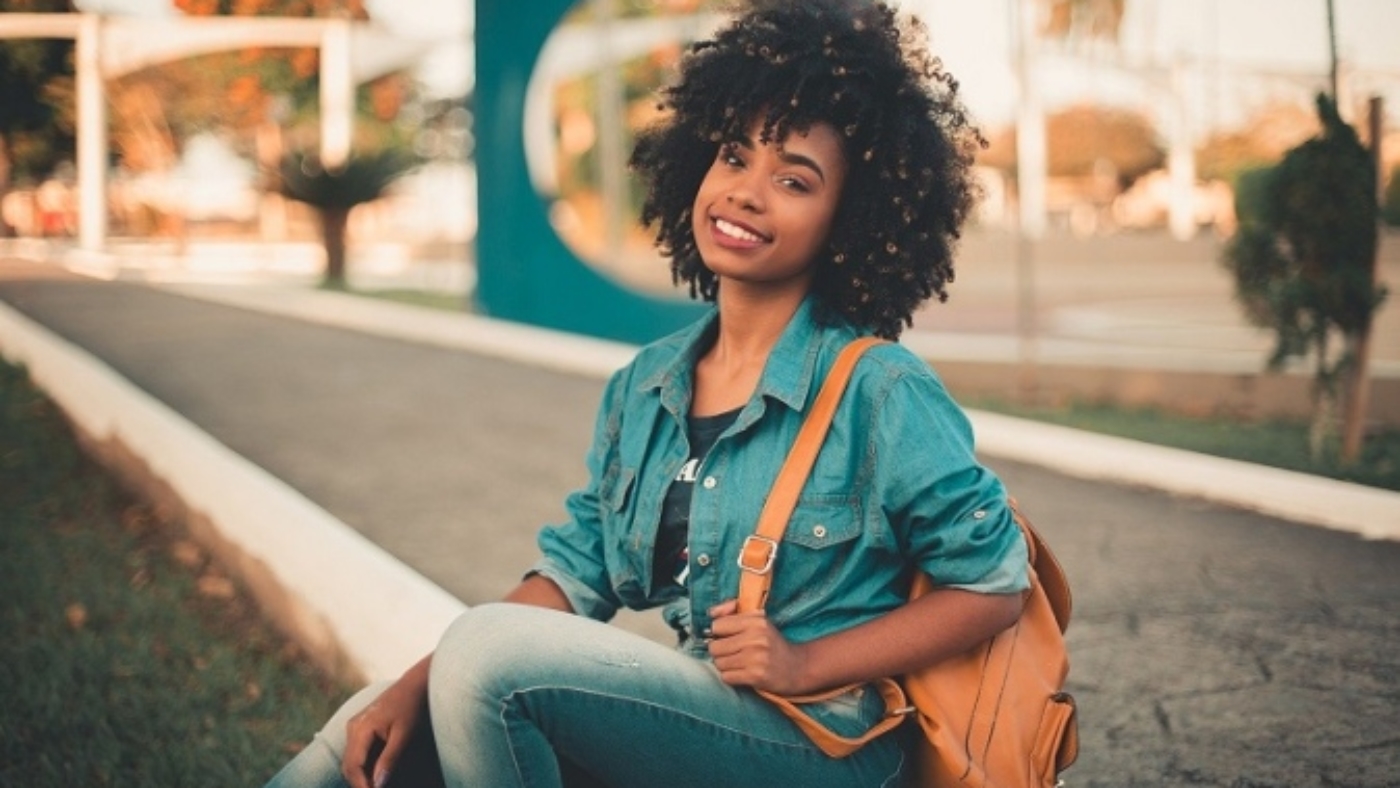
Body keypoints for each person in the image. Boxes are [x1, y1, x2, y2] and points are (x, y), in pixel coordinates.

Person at [264, 1, 1029, 786]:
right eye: (734, 156)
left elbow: (993, 584)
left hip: (824, 742)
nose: (746, 192)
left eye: (794, 180)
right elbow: (575, 573)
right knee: (373, 725)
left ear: (850, 222)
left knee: (486, 655)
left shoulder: (879, 388)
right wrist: (410, 686)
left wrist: (804, 662)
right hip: (702, 711)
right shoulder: (649, 384)